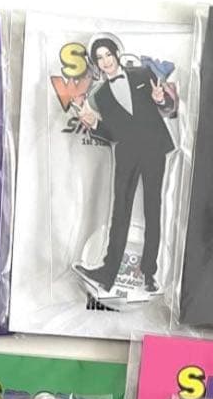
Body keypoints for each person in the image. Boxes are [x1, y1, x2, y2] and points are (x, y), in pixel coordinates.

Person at [72, 34, 176, 295]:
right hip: (127, 153)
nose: (105, 61)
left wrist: (160, 99)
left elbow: (169, 105)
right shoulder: (100, 95)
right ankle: (107, 274)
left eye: (108, 54)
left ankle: (149, 274)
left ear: (117, 54)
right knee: (120, 212)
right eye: (99, 58)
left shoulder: (142, 73)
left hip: (153, 149)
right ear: (96, 63)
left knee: (153, 209)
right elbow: (113, 132)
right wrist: (94, 123)